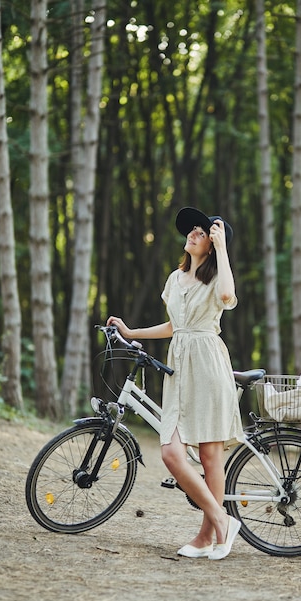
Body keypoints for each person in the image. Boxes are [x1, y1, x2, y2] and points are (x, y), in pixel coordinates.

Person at [107, 206, 243, 560]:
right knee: (171, 452)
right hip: (180, 369)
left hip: (209, 366)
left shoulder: (217, 277)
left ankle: (206, 536)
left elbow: (228, 297)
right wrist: (133, 331)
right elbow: (173, 326)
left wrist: (223, 248)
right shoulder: (174, 279)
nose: (194, 234)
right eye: (193, 231)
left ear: (212, 245)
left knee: (212, 458)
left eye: (203, 233)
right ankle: (221, 519)